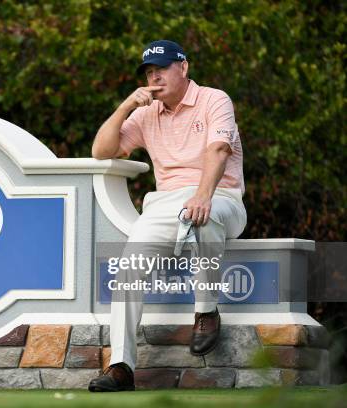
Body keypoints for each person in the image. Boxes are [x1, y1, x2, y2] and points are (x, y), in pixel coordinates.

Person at [88, 40, 247, 392]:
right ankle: (121, 366)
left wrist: (203, 194)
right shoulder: (146, 113)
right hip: (164, 205)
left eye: (161, 69)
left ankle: (206, 310)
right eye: (148, 73)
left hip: (221, 196)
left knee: (201, 216)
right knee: (128, 267)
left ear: (184, 68)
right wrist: (126, 104)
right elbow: (101, 150)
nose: (154, 78)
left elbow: (219, 150)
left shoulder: (214, 99)